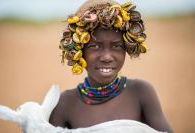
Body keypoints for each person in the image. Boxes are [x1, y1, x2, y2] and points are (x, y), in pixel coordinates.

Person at [49, 0, 173, 132]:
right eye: (95, 46)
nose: (107, 57)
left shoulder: (141, 93)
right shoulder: (64, 104)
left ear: (126, 48)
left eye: (116, 46)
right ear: (79, 51)